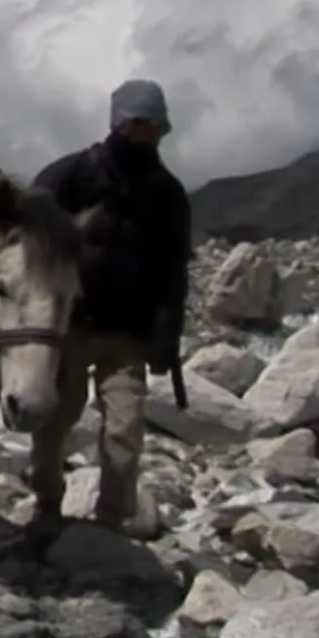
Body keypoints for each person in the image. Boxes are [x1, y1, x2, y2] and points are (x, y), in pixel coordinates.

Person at [26, 78, 192, 529]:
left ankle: (112, 520)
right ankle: (45, 503)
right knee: (56, 419)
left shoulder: (167, 194)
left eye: (153, 125)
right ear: (119, 123)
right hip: (72, 326)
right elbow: (28, 237)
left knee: (124, 429)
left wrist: (166, 335)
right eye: (138, 123)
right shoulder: (71, 176)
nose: (145, 133)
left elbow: (173, 268)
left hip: (129, 334)